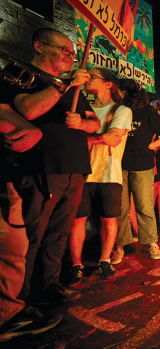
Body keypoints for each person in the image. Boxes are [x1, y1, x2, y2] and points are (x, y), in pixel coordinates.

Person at [9, 29, 99, 305]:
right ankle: (20, 296)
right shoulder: (21, 75)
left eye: (73, 53)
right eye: (65, 51)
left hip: (73, 169)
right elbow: (28, 110)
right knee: (32, 234)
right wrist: (65, 85)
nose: (71, 57)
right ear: (39, 46)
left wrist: (81, 124)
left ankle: (48, 284)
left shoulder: (68, 85)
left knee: (59, 232)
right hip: (42, 167)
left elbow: (94, 122)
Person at [0, 104, 62, 341]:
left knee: (15, 245)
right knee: (12, 247)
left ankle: (8, 312)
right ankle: (8, 315)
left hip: (7, 176)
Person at [68, 68, 132, 284]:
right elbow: (101, 137)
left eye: (92, 76)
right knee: (77, 220)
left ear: (108, 84)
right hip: (81, 172)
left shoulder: (121, 111)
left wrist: (82, 138)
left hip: (108, 173)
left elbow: (113, 138)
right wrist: (100, 137)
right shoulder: (81, 108)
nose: (87, 78)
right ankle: (76, 264)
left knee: (108, 218)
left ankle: (105, 259)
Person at [110, 79, 160, 266]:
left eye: (119, 91)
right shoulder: (117, 111)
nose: (117, 94)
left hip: (143, 165)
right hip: (119, 165)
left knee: (144, 206)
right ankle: (121, 245)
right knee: (121, 208)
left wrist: (153, 145)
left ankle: (152, 242)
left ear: (126, 93)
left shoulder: (147, 112)